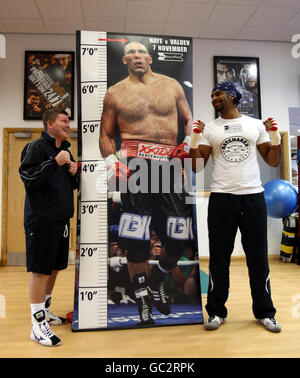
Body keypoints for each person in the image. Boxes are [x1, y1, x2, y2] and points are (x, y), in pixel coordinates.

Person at [99, 41, 194, 325]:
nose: (137, 56)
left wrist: (188, 141)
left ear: (149, 58)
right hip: (135, 167)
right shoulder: (115, 93)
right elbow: (105, 134)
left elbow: (188, 120)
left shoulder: (172, 85)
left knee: (180, 236)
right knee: (136, 240)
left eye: (142, 52)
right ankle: (142, 300)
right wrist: (110, 161)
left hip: (168, 163)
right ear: (125, 59)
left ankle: (155, 281)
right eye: (132, 53)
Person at [189, 81, 282, 333]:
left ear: (232, 95)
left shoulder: (255, 125)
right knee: (219, 259)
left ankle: (265, 313)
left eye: (217, 94)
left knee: (258, 259)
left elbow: (272, 160)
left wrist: (274, 137)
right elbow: (197, 167)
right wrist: (195, 139)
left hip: (253, 198)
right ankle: (216, 312)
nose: (213, 98)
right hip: (221, 199)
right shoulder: (210, 128)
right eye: (211, 95)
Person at [19, 108, 79, 346]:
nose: (68, 125)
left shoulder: (66, 152)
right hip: (41, 220)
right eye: (64, 121)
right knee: (41, 270)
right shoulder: (36, 147)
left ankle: (45, 311)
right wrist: (54, 163)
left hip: (61, 220)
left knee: (54, 268)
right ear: (50, 124)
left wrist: (74, 174)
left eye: (68, 121)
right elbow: (28, 178)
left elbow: (67, 186)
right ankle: (37, 325)